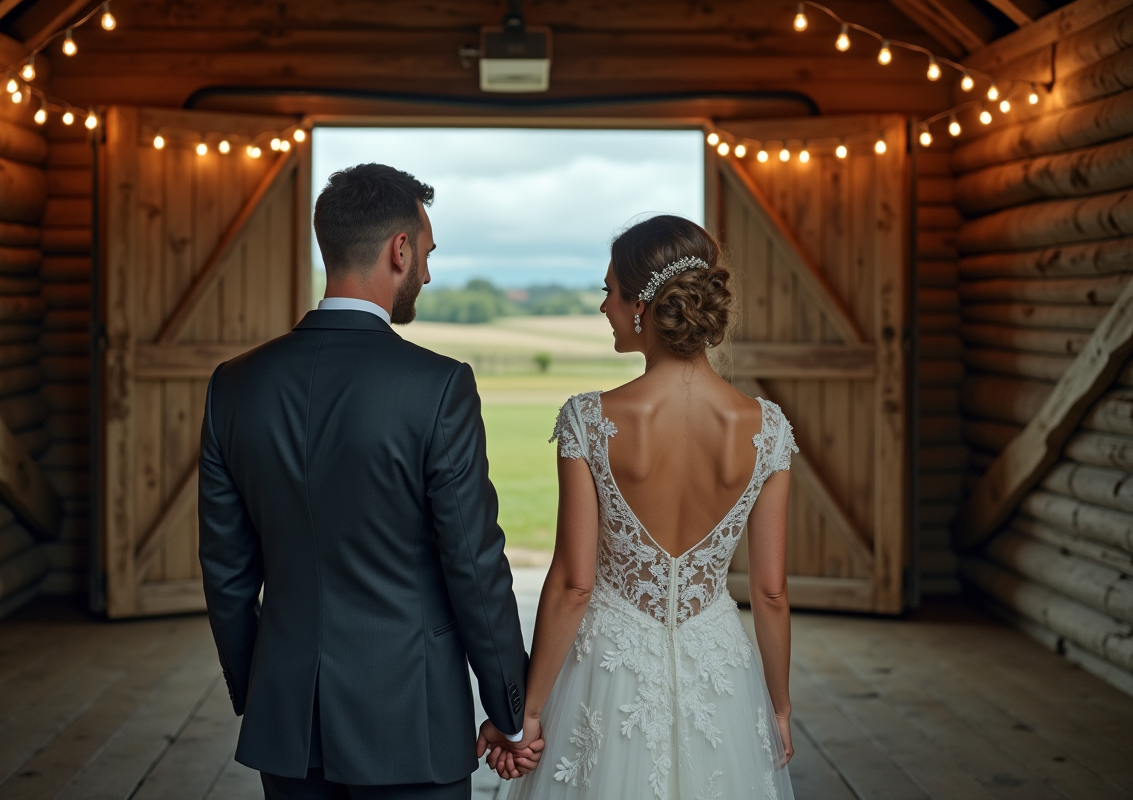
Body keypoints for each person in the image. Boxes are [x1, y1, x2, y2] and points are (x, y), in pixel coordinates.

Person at [198, 163, 543, 800]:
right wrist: (510, 711)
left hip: (289, 725)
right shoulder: (438, 386)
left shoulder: (234, 384)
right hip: (411, 720)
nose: (430, 274)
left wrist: (265, 691)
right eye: (429, 253)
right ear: (400, 249)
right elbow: (472, 563)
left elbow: (225, 570)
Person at [491, 215, 798, 799]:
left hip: (609, 667)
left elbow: (574, 584)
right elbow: (771, 592)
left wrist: (529, 713)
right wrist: (777, 706)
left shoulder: (590, 420)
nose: (603, 306)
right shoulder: (768, 428)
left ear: (642, 305)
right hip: (720, 668)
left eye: (608, 290)